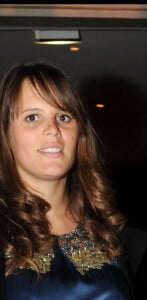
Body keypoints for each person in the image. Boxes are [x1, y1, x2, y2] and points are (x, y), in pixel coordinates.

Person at [0, 61, 133, 299]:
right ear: (6, 134)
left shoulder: (111, 230)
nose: (53, 129)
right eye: (32, 117)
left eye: (63, 116)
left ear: (79, 135)